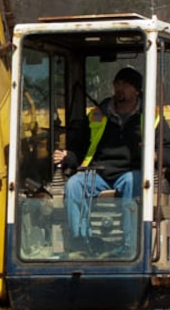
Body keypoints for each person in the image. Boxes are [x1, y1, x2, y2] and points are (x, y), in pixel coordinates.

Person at [59, 67, 144, 238]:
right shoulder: (97, 115)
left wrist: (155, 156)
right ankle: (82, 239)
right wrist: (68, 156)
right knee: (74, 184)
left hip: (129, 173)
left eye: (125, 84)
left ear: (136, 90)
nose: (119, 88)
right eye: (117, 84)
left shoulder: (150, 116)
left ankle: (131, 243)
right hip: (98, 174)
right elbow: (79, 146)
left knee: (132, 181)